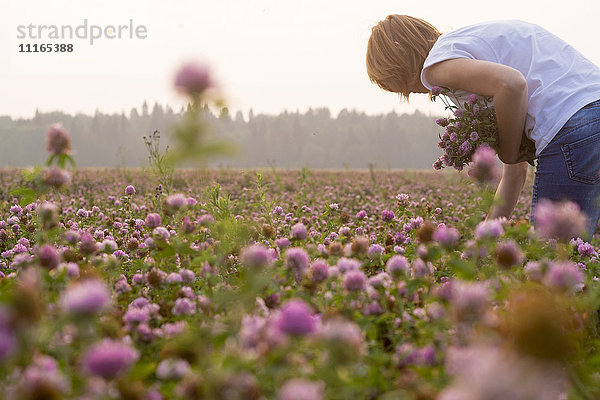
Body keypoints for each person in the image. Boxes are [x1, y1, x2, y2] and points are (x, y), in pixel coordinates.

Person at [366, 15, 600, 237]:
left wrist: (509, 151)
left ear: (400, 56)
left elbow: (511, 84)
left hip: (572, 126)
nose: (406, 92)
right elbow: (515, 171)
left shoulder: (436, 66)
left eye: (396, 82)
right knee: (572, 252)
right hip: (591, 107)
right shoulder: (470, 45)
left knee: (553, 260)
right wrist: (486, 239)